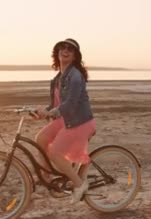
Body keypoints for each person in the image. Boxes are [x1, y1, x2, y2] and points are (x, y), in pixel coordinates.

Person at [34, 38, 96, 203]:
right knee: (40, 139)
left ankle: (79, 184)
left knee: (55, 152)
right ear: (57, 52)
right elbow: (55, 105)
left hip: (80, 121)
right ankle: (46, 175)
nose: (65, 50)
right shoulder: (57, 78)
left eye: (70, 49)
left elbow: (70, 104)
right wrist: (42, 112)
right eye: (62, 47)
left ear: (75, 56)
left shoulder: (75, 76)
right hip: (66, 118)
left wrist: (50, 113)